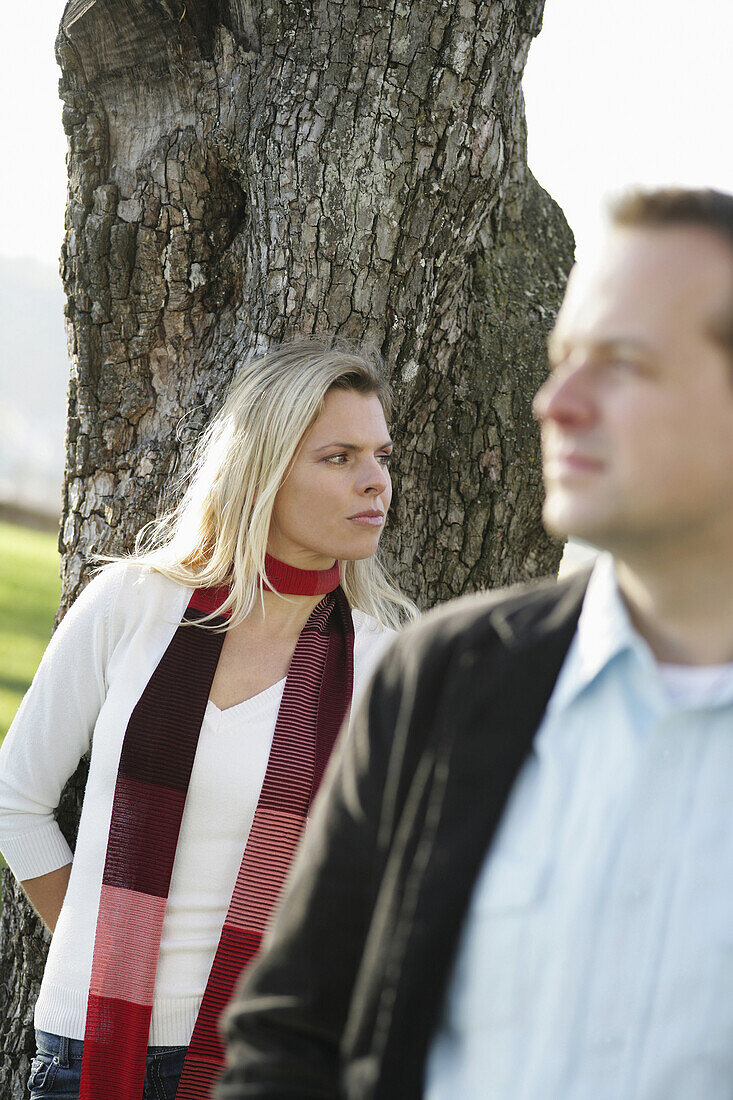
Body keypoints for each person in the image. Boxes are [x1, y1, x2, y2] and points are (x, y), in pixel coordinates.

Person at [218, 188, 733, 1100]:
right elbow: (291, 1038)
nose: (554, 402)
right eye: (562, 358)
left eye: (620, 363)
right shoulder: (445, 679)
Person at [0, 336, 417, 1100]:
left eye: (381, 457)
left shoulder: (388, 667)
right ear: (264, 469)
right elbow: (14, 802)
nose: (375, 483)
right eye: (339, 457)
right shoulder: (133, 603)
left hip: (259, 1065)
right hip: (84, 1050)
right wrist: (104, 964)